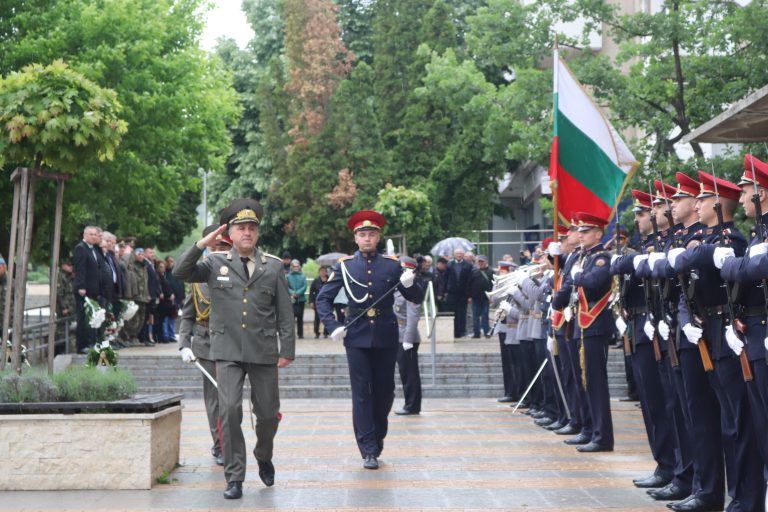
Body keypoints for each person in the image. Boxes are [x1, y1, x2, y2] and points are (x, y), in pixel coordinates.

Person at [174, 198, 295, 500]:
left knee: (268, 415)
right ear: (230, 233)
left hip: (263, 350)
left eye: (252, 228)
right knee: (229, 412)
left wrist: (287, 349)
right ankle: (235, 476)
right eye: (241, 228)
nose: (247, 233)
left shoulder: (273, 266)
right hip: (225, 350)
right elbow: (180, 271)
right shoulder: (214, 263)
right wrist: (203, 243)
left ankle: (263, 455)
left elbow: (284, 312)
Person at [667, 171, 763, 511]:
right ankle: (718, 492)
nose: (695, 203)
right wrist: (683, 321)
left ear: (717, 203)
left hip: (731, 334)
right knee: (716, 421)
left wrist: (695, 253)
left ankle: (745, 497)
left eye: (701, 198)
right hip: (708, 332)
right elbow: (681, 284)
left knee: (739, 424)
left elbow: (696, 262)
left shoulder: (732, 239)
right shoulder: (712, 240)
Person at [315, 210, 425, 470]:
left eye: (372, 234)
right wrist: (333, 326)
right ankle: (368, 447)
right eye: (362, 234)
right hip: (356, 335)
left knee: (385, 392)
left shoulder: (392, 265)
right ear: (355, 238)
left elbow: (416, 297)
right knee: (362, 392)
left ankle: (378, 435)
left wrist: (410, 283)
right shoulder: (344, 266)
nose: (367, 238)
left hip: (386, 335)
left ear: (378, 237)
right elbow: (323, 299)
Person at [177, 224, 233, 467]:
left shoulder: (238, 274)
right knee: (214, 399)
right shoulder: (196, 280)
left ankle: (231, 441)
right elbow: (188, 314)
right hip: (205, 342)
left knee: (231, 398)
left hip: (232, 341)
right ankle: (220, 444)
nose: (218, 251)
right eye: (214, 247)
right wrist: (183, 344)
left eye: (223, 247)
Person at [569, 211, 614, 453]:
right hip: (583, 325)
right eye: (580, 231)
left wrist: (578, 277)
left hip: (595, 325)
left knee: (596, 383)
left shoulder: (601, 258)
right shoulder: (584, 257)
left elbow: (595, 281)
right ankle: (591, 430)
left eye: (586, 231)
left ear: (598, 233)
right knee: (586, 381)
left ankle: (602, 435)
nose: (581, 235)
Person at [394, 256, 423, 416]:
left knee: (410, 374)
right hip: (396, 335)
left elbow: (413, 317)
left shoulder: (413, 289)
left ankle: (412, 406)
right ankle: (409, 403)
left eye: (405, 270)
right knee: (404, 373)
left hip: (406, 338)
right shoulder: (397, 287)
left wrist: (407, 340)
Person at [73, 226, 105, 353]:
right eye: (90, 234)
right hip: (84, 290)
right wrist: (81, 286)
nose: (93, 236)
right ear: (84, 235)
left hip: (93, 290)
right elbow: (80, 268)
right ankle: (82, 345)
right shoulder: (81, 248)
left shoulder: (93, 249)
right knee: (84, 318)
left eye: (95, 234)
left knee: (93, 317)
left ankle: (92, 342)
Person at [123, 248, 150, 346]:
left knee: (142, 318)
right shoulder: (132, 265)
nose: (141, 256)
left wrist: (147, 295)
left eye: (143, 254)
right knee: (133, 318)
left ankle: (135, 336)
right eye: (139, 254)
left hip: (143, 296)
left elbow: (145, 282)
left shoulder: (144, 266)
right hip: (134, 296)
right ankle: (130, 337)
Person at [446, 249, 472, 338]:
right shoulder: (449, 265)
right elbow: (446, 278)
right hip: (452, 293)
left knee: (462, 313)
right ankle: (454, 331)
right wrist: (446, 290)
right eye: (457, 254)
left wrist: (469, 295)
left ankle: (461, 331)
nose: (459, 255)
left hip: (463, 293)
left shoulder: (468, 265)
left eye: (461, 254)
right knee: (453, 312)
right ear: (454, 255)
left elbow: (470, 280)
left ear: (463, 255)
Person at [467, 255, 493, 338]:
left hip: (486, 298)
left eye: (482, 261)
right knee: (475, 317)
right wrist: (469, 296)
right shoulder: (473, 271)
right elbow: (469, 284)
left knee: (485, 316)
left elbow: (494, 285)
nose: (481, 263)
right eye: (479, 261)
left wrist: (492, 296)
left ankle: (486, 332)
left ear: (486, 262)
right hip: (475, 297)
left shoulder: (491, 272)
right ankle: (476, 333)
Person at [286, 259, 307, 339]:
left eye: (297, 266)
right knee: (291, 318)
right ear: (291, 267)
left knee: (300, 318)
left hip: (301, 300)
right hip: (291, 300)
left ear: (299, 267)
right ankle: (291, 334)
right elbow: (286, 286)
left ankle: (300, 334)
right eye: (294, 266)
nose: (295, 268)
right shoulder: (288, 276)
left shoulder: (303, 276)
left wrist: (298, 292)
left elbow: (304, 286)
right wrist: (292, 292)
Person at [309, 266, 330, 338]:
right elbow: (311, 291)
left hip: (327, 302)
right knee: (317, 318)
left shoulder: (330, 280)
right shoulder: (316, 281)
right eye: (321, 271)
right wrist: (311, 301)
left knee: (327, 317)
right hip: (318, 302)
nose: (323, 272)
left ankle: (326, 332)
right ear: (319, 272)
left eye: (324, 271)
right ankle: (316, 332)